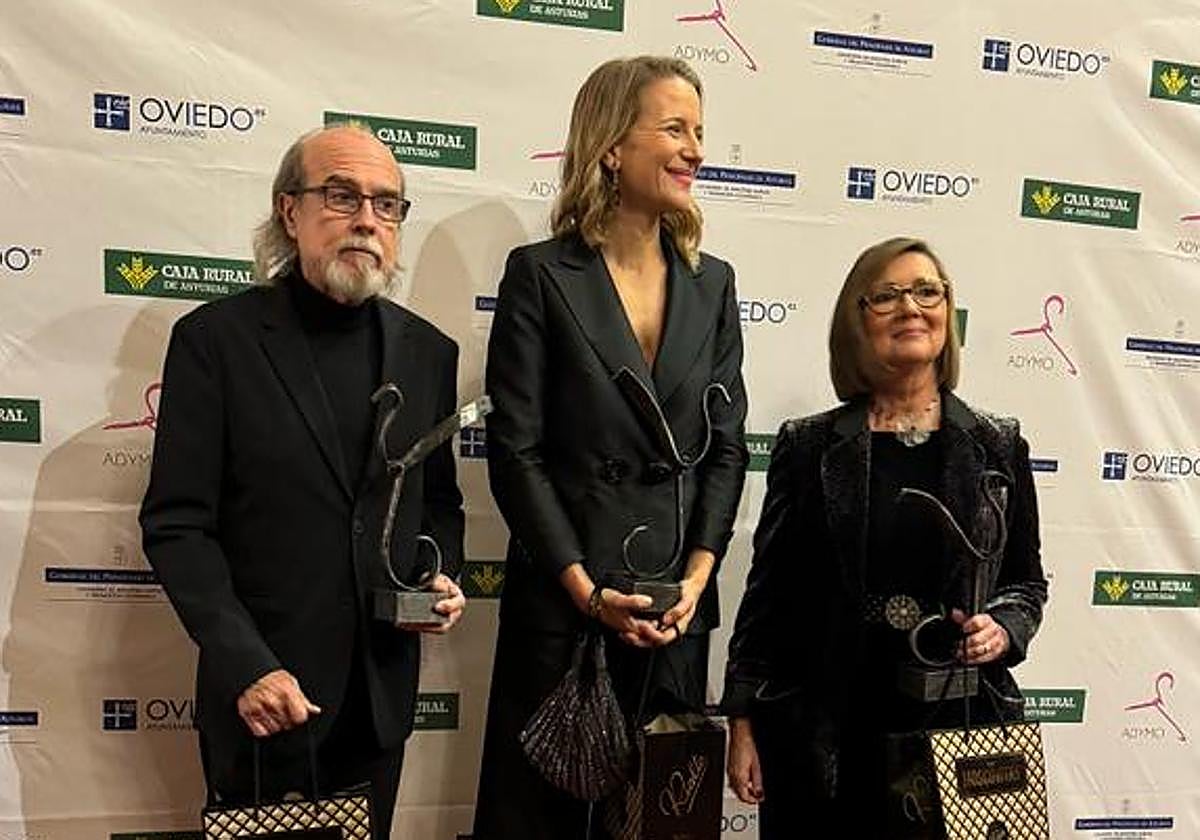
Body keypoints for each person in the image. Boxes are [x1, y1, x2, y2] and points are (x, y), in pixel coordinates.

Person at [139, 124, 466, 840]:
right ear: (290, 211)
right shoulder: (215, 342)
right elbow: (177, 526)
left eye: (387, 204)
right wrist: (246, 665)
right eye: (342, 196)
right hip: (265, 699)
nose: (366, 221)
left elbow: (437, 502)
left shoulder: (427, 352)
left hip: (378, 699)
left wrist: (438, 573)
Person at [472, 56, 748, 839]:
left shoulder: (713, 284)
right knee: (545, 824)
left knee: (659, 823)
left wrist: (696, 580)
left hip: (673, 618)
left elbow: (726, 449)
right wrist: (586, 591)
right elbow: (515, 453)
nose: (695, 149)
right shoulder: (539, 276)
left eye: (700, 131)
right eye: (673, 128)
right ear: (610, 147)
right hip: (567, 616)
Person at [722, 237, 1049, 837]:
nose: (911, 307)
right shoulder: (809, 445)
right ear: (857, 319)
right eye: (887, 295)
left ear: (947, 313)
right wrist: (741, 718)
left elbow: (1025, 582)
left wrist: (1003, 626)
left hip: (958, 718)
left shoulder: (998, 444)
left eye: (927, 291)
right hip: (826, 720)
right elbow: (767, 596)